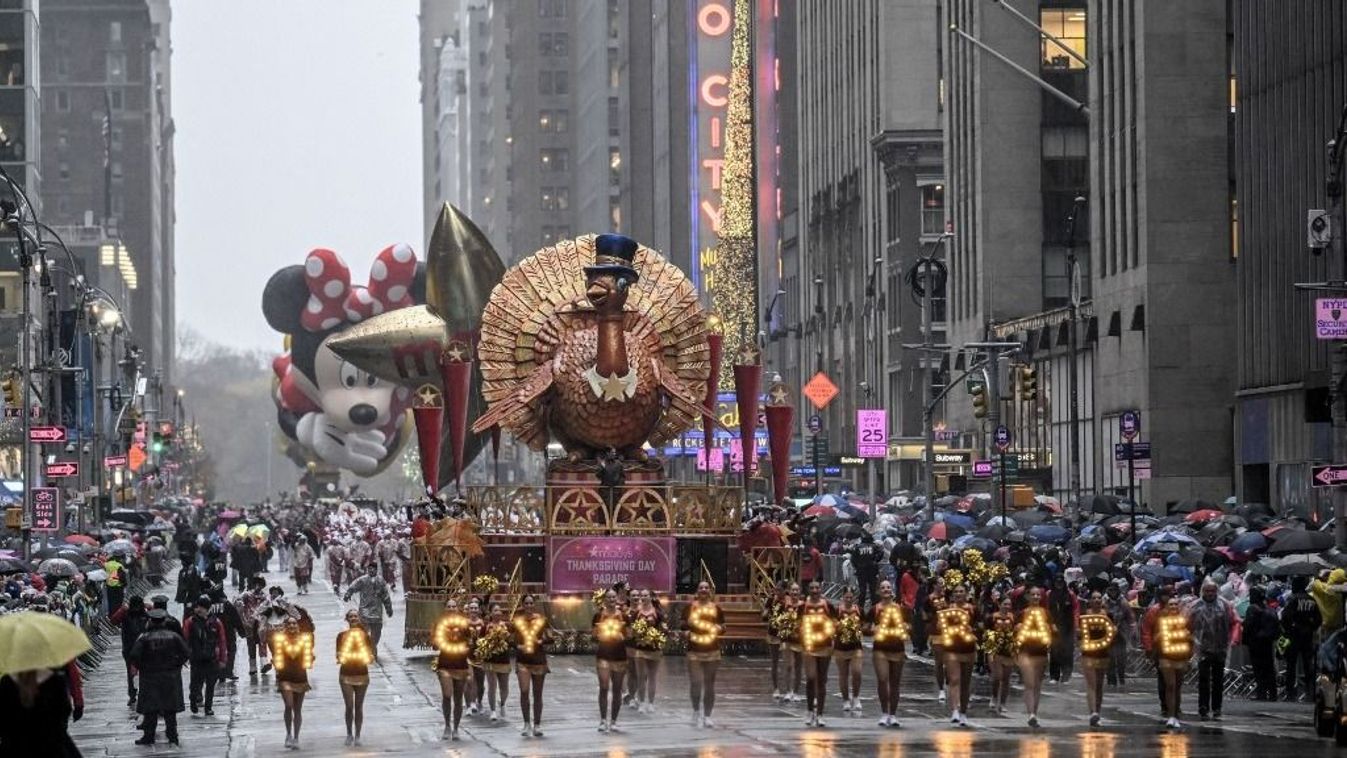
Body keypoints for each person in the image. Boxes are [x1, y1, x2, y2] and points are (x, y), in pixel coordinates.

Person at [128, 608, 190, 746]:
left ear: (151, 621)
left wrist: (142, 667)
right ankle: (172, 736)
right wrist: (176, 665)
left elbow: (133, 656)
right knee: (170, 709)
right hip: (170, 677)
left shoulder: (144, 638)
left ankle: (148, 736)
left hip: (150, 677)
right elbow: (186, 653)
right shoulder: (174, 636)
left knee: (151, 709)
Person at [0, 662, 84, 756]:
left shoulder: (6, 682)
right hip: (51, 745)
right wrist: (78, 703)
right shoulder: (56, 680)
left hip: (15, 745)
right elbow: (64, 710)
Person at [1187, 579, 1239, 720]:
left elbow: (1235, 622)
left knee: (1218, 680)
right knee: (1203, 679)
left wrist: (1234, 639)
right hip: (1202, 648)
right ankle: (1203, 707)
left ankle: (1217, 708)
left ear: (1216, 591)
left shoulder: (1225, 605)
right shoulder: (1195, 606)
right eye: (1207, 591)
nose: (1210, 594)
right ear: (1203, 591)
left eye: (1212, 591)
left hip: (1220, 647)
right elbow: (1186, 625)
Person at [867, 579, 909, 728]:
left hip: (897, 648)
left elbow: (909, 626)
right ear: (879, 591)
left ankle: (893, 714)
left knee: (895, 682)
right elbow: (865, 627)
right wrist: (872, 629)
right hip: (880, 648)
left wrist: (906, 627)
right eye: (883, 587)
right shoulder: (875, 609)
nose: (886, 590)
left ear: (892, 591)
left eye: (888, 587)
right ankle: (884, 712)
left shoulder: (900, 609)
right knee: (883, 680)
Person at [271, 617, 315, 749]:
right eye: (289, 623)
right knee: (289, 705)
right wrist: (275, 662)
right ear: (286, 626)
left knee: (297, 709)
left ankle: (296, 737)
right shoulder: (280, 639)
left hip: (300, 677)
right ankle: (288, 734)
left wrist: (311, 659)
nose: (292, 625)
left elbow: (309, 658)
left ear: (298, 626)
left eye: (294, 623)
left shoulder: (305, 639)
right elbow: (276, 656)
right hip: (285, 677)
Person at [685, 581, 724, 728]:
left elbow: (723, 625)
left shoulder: (716, 608)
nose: (703, 590)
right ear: (697, 590)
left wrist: (719, 628)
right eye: (701, 587)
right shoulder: (690, 607)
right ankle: (696, 711)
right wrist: (685, 632)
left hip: (712, 649)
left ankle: (707, 715)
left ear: (710, 591)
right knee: (696, 683)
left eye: (706, 588)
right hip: (694, 649)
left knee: (710, 684)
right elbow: (682, 625)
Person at [433, 599, 472, 741]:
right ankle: (447, 725)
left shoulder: (464, 624)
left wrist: (468, 647)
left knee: (458, 697)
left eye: (454, 606)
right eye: (449, 606)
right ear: (445, 608)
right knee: (447, 695)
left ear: (457, 608)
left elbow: (471, 641)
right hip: (445, 664)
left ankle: (456, 727)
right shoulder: (440, 624)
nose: (451, 608)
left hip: (460, 664)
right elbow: (434, 643)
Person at [183, 595, 227, 717]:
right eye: (198, 607)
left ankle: (208, 707)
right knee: (195, 684)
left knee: (211, 684)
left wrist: (223, 659)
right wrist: (185, 655)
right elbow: (185, 639)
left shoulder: (216, 622)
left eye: (202, 607)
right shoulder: (190, 622)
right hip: (196, 659)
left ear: (208, 608)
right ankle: (193, 700)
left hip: (212, 658)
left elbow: (222, 641)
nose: (199, 609)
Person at [513, 594, 551, 737]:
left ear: (534, 604)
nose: (528, 606)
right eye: (526, 603)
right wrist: (518, 646)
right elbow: (511, 639)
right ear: (522, 605)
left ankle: (537, 724)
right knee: (524, 691)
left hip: (538, 660)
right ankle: (526, 723)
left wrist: (541, 641)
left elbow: (550, 637)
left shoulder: (542, 620)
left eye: (531, 603)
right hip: (523, 660)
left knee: (537, 694)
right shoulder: (517, 620)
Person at [799, 580, 835, 727]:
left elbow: (836, 621)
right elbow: (796, 623)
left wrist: (831, 630)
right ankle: (809, 711)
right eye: (812, 588)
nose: (814, 590)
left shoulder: (828, 605)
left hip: (825, 646)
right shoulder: (803, 607)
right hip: (809, 646)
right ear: (808, 590)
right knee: (811, 678)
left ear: (821, 589)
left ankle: (820, 713)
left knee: (822, 680)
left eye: (817, 588)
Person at [940, 585, 978, 727]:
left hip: (968, 648)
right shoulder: (947, 610)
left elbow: (980, 626)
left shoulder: (973, 609)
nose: (959, 594)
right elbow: (941, 626)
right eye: (956, 591)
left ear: (966, 594)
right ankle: (954, 710)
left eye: (961, 591)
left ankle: (963, 712)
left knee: (966, 682)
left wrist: (972, 629)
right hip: (952, 647)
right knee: (954, 679)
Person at [593, 589, 629, 733]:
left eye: (614, 597)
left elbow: (630, 634)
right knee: (603, 687)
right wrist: (599, 635)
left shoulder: (624, 616)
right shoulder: (598, 615)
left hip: (619, 655)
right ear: (604, 599)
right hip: (603, 654)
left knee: (617, 689)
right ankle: (603, 720)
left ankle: (614, 721)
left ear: (617, 599)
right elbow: (593, 634)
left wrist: (622, 636)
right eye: (608, 597)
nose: (611, 599)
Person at [1078, 592, 1117, 726]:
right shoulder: (1084, 616)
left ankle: (1097, 712)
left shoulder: (1107, 615)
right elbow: (1078, 632)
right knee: (1091, 684)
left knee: (1099, 685)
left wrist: (1113, 629)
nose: (1096, 600)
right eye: (1094, 598)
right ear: (1090, 601)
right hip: (1088, 653)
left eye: (1099, 598)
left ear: (1102, 600)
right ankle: (1092, 712)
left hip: (1103, 652)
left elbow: (1113, 631)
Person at [336, 609, 374, 746]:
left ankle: (358, 734)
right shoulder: (341, 636)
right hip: (346, 674)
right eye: (351, 616)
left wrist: (369, 658)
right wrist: (341, 657)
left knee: (358, 706)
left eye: (355, 616)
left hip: (362, 674)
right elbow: (338, 653)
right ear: (347, 619)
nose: (353, 618)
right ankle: (349, 734)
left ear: (359, 618)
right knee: (349, 705)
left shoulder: (365, 636)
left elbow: (370, 653)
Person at [1281, 575, 1322, 701]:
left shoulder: (1293, 600)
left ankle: (1290, 693)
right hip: (1307, 637)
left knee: (1291, 665)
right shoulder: (1312, 600)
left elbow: (1285, 616)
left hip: (1294, 637)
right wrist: (1310, 628)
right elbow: (1318, 619)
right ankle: (1310, 692)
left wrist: (1289, 629)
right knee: (1308, 665)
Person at [1015, 585, 1051, 728]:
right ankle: (1030, 714)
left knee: (1037, 684)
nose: (1036, 597)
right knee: (1029, 683)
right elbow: (1015, 629)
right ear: (1028, 597)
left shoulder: (1046, 613)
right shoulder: (1022, 613)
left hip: (1041, 651)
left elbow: (1053, 630)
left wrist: (1051, 630)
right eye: (1033, 595)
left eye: (1038, 595)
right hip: (1025, 651)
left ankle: (1034, 713)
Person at [1156, 597, 1193, 729]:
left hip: (1180, 656)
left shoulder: (1184, 622)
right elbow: (1156, 638)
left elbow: (1191, 639)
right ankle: (1171, 716)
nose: (1173, 607)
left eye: (1176, 604)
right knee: (1170, 685)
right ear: (1167, 607)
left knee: (1177, 687)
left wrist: (1187, 637)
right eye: (1170, 604)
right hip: (1165, 657)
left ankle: (1175, 714)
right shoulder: (1161, 622)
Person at [1140, 585, 1175, 713]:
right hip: (1160, 649)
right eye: (1167, 595)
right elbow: (1146, 630)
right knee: (1163, 678)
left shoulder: (1177, 609)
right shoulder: (1154, 611)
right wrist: (1149, 648)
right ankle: (1165, 704)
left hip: (1177, 648)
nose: (1170, 598)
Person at [630, 588, 666, 714]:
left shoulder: (658, 612)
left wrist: (658, 635)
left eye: (646, 595)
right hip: (640, 648)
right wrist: (637, 633)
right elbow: (631, 630)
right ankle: (641, 702)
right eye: (641, 595)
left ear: (651, 597)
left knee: (652, 676)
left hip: (654, 648)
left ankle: (651, 703)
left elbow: (664, 628)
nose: (643, 597)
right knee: (641, 677)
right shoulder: (636, 613)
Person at [344, 563, 394, 652]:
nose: (371, 570)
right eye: (369, 569)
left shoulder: (381, 581)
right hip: (364, 610)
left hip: (377, 612)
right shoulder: (362, 580)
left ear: (376, 570)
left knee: (377, 632)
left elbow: (386, 596)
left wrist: (388, 609)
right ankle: (366, 647)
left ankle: (373, 645)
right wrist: (348, 594)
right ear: (367, 569)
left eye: (373, 569)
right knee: (363, 631)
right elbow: (353, 586)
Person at [1242, 585, 1281, 701]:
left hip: (1255, 643)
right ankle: (1273, 694)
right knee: (1269, 668)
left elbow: (1248, 626)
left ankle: (1262, 693)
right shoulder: (1270, 609)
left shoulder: (1252, 609)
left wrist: (1245, 640)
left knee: (1258, 669)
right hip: (1267, 643)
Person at [832, 587, 864, 716]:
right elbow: (832, 625)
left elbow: (865, 624)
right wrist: (839, 627)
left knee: (857, 672)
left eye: (851, 597)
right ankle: (845, 699)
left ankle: (856, 697)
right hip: (841, 646)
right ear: (843, 597)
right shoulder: (837, 610)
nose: (849, 599)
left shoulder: (858, 610)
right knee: (843, 674)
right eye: (847, 597)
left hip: (856, 646)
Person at [478, 603, 512, 723]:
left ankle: (502, 703)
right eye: (495, 610)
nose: (498, 612)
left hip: (503, 660)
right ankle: (493, 710)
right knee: (492, 686)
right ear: (491, 613)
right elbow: (480, 642)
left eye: (499, 610)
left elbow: (511, 641)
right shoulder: (486, 627)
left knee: (504, 687)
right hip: (490, 660)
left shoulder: (507, 626)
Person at [985, 595, 1016, 715]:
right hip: (995, 649)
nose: (1007, 607)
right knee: (997, 676)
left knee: (1006, 678)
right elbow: (986, 632)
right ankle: (993, 696)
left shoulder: (1013, 617)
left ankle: (1003, 703)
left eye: (1009, 604)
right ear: (999, 604)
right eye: (1005, 604)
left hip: (1008, 650)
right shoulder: (992, 617)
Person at [118, 594, 150, 707]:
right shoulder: (126, 615)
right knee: (131, 673)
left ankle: (142, 694)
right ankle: (133, 695)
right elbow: (113, 620)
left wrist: (151, 608)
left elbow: (159, 617)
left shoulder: (146, 616)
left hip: (143, 649)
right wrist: (122, 609)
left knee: (143, 673)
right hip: (129, 649)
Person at [1046, 574, 1078, 684]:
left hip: (1067, 627)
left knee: (1067, 652)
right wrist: (1049, 624)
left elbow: (1075, 610)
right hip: (1053, 626)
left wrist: (1076, 626)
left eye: (1060, 582)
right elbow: (1046, 611)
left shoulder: (1070, 594)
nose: (1058, 584)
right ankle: (1054, 676)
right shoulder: (1049, 594)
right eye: (1057, 582)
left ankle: (1066, 676)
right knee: (1054, 652)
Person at [235, 576, 268, 677]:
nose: (258, 586)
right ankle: (252, 667)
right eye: (256, 584)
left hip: (261, 623)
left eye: (260, 584)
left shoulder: (265, 596)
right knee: (251, 645)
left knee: (263, 642)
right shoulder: (247, 595)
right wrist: (239, 603)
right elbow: (237, 601)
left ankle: (264, 663)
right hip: (249, 623)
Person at [1104, 582, 1135, 688]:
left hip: (1121, 633)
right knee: (1109, 658)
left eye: (1114, 590)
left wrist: (1131, 629)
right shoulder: (1104, 602)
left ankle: (1121, 678)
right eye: (1110, 590)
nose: (1112, 592)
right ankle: (1111, 680)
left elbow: (1130, 617)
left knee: (1121, 658)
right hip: (1107, 633)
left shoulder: (1124, 602)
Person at [847, 535, 881, 612]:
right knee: (873, 590)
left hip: (861, 571)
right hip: (872, 571)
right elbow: (881, 552)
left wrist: (857, 566)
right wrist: (876, 561)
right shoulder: (874, 546)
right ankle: (875, 608)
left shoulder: (858, 547)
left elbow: (853, 559)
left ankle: (860, 609)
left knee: (862, 590)